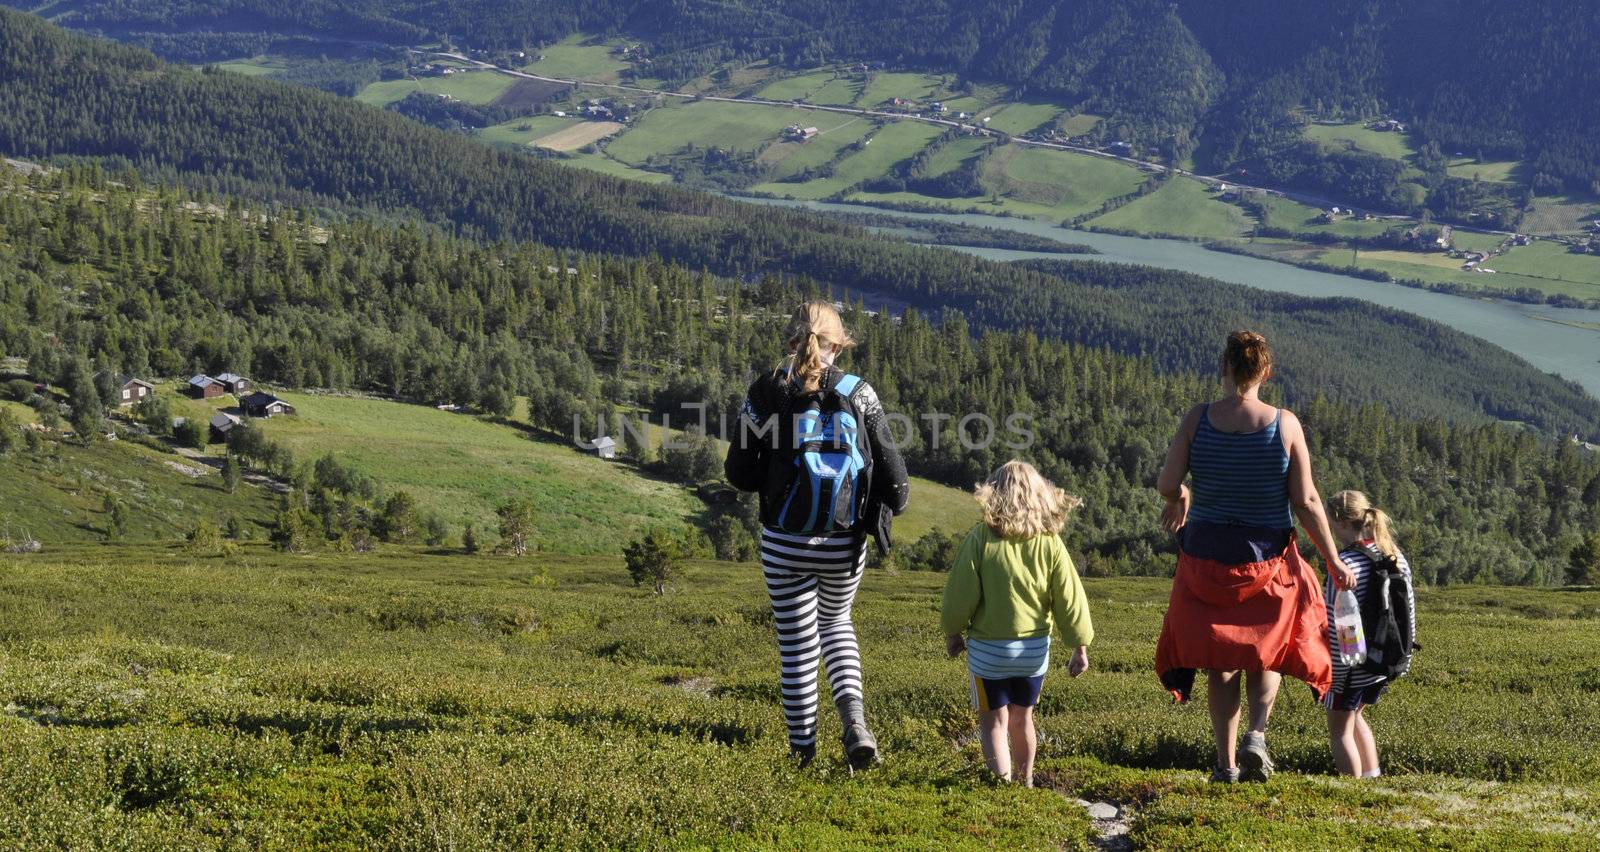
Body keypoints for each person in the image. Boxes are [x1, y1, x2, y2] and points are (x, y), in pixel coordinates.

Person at [1153, 330, 1355, 783]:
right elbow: (1306, 501)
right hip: (1266, 557)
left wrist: (1181, 495)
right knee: (1271, 648)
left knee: (1220, 661)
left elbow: (1167, 484)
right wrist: (1333, 558)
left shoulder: (1197, 420)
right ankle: (1257, 736)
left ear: (1223, 367)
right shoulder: (1284, 425)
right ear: (1266, 372)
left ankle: (1224, 765)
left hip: (1206, 557)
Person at [724, 301, 910, 770]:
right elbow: (896, 482)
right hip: (844, 543)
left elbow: (739, 473)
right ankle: (855, 724)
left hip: (784, 542)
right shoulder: (858, 392)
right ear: (838, 344)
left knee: (797, 646)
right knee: (837, 623)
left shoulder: (767, 392)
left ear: (791, 340)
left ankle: (803, 758)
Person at [940, 460, 1094, 786]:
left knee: (993, 722)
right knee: (1023, 719)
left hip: (988, 653)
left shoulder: (980, 538)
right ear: (1040, 495)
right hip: (1033, 652)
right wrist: (1079, 645)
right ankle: (1024, 783)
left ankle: (1002, 787)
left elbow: (959, 595)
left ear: (993, 494)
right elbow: (1069, 597)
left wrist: (953, 632)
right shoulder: (1050, 542)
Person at [1324, 490, 1415, 778]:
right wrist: (1404, 658)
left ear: (1339, 522)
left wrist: (1334, 677)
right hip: (1382, 661)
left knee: (1339, 731)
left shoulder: (1344, 565)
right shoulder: (1394, 556)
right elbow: (1408, 610)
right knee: (1356, 716)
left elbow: (1338, 623)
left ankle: (1354, 791)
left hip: (1352, 665)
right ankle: (1372, 778)